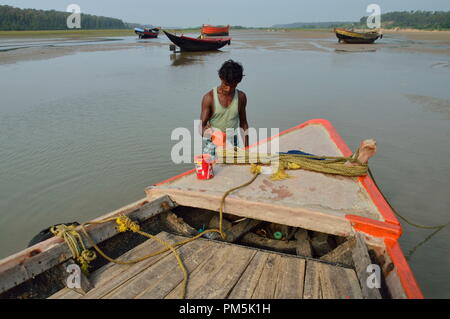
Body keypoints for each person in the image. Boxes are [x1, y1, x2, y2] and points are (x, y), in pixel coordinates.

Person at [200, 59, 249, 158]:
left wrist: (247, 149)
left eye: (233, 85)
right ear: (220, 78)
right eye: (226, 84)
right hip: (212, 144)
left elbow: (243, 123)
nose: (229, 89)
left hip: (233, 143)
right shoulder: (209, 98)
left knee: (233, 170)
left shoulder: (241, 97)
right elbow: (201, 127)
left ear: (239, 82)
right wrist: (207, 132)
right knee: (212, 171)